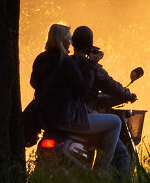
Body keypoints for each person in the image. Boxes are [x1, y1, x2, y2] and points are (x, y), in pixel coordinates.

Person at [29, 23, 127, 173]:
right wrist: (91, 64)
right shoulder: (65, 61)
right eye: (69, 39)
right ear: (62, 40)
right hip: (67, 118)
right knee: (115, 122)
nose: (71, 42)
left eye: (73, 40)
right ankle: (101, 171)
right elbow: (84, 89)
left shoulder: (42, 59)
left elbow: (33, 83)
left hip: (46, 119)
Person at [69, 25, 136, 172]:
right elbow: (111, 85)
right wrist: (128, 94)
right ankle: (101, 172)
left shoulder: (65, 64)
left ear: (73, 44)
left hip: (64, 117)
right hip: (84, 118)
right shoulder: (92, 67)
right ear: (89, 48)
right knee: (122, 151)